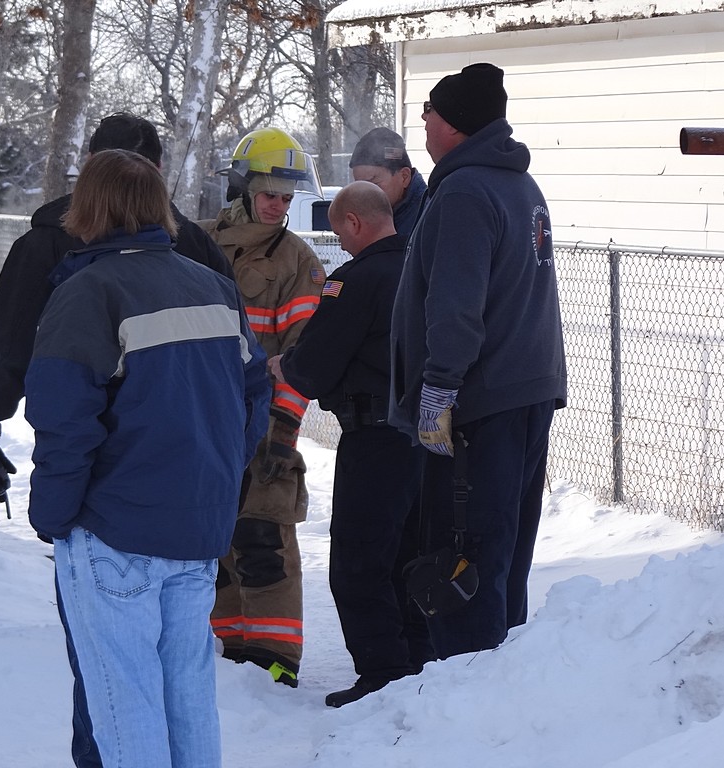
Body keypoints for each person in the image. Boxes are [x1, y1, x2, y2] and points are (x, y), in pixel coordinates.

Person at [0, 112, 232, 768]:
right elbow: (240, 385)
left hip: (108, 514)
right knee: (182, 683)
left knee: (113, 685)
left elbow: (16, 358)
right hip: (194, 511)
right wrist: (221, 478)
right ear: (158, 175)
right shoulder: (199, 257)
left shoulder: (67, 260)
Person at [25, 149, 270, 768]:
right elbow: (253, 397)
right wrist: (218, 477)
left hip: (114, 529)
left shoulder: (88, 293)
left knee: (124, 698)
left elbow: (63, 421)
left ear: (88, 209)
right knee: (188, 691)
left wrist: (52, 516)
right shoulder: (214, 287)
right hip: (197, 528)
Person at [389, 63, 567, 659]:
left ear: (456, 125)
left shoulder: (466, 191)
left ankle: (465, 688)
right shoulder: (520, 185)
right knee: (505, 550)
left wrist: (439, 390)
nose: (423, 121)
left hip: (479, 403)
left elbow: (455, 307)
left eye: (431, 112)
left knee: (462, 556)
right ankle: (501, 679)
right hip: (526, 392)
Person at [268, 181, 433, 707]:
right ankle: (419, 665)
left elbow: (315, 367)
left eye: (339, 231)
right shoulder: (424, 266)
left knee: (360, 563)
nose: (339, 242)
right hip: (427, 438)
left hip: (376, 439)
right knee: (409, 554)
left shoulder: (355, 281)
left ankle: (383, 674)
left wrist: (283, 365)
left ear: (355, 223)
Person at [198, 126, 327, 687]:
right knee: (215, 538)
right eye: (270, 192)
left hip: (263, 425)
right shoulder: (198, 243)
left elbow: (302, 358)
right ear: (243, 187)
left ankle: (275, 664)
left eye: (288, 194)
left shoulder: (298, 262)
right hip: (202, 422)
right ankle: (228, 652)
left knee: (264, 540)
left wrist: (283, 434)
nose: (279, 204)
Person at [348, 127, 428, 237]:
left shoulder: (430, 216)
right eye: (359, 187)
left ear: (404, 177)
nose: (364, 196)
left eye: (373, 185)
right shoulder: (369, 216)